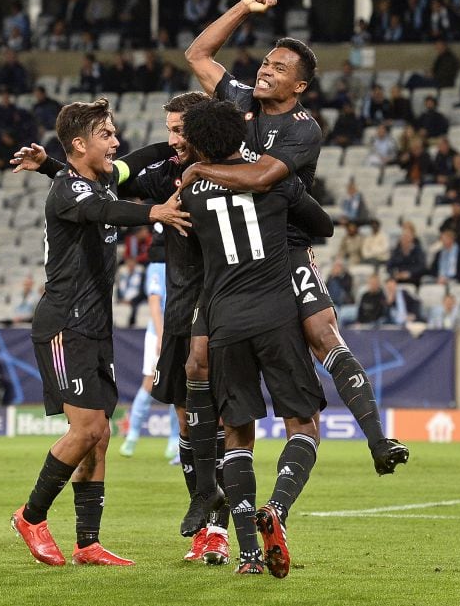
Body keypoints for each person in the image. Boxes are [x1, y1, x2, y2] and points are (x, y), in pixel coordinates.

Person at [184, 0, 407, 510]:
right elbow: (197, 55)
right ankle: (205, 493)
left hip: (284, 248)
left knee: (322, 335)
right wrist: (240, 8)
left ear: (298, 86)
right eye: (265, 62)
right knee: (197, 360)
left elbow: (263, 176)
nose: (265, 71)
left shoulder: (303, 128)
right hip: (236, 255)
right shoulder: (238, 99)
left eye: (278, 68)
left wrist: (200, 170)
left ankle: (378, 439)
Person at [10, 99, 189, 568]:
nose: (115, 142)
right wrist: (156, 212)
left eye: (113, 132)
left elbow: (138, 161)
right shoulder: (70, 191)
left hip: (94, 326)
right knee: (86, 427)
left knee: (101, 434)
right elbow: (107, 212)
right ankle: (31, 516)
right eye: (106, 134)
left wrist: (178, 144)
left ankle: (87, 543)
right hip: (63, 324)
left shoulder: (101, 175)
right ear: (79, 144)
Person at [179, 98, 329, 578]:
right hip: (276, 318)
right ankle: (278, 508)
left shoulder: (192, 192)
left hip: (224, 322)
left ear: (198, 144)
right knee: (302, 424)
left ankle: (247, 556)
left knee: (237, 434)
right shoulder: (275, 182)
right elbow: (322, 225)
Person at [119, 232, 180, 461]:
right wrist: (161, 336)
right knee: (149, 381)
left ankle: (175, 440)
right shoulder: (157, 266)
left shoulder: (179, 263)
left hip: (177, 330)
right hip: (159, 332)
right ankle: (132, 434)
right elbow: (155, 303)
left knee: (178, 386)